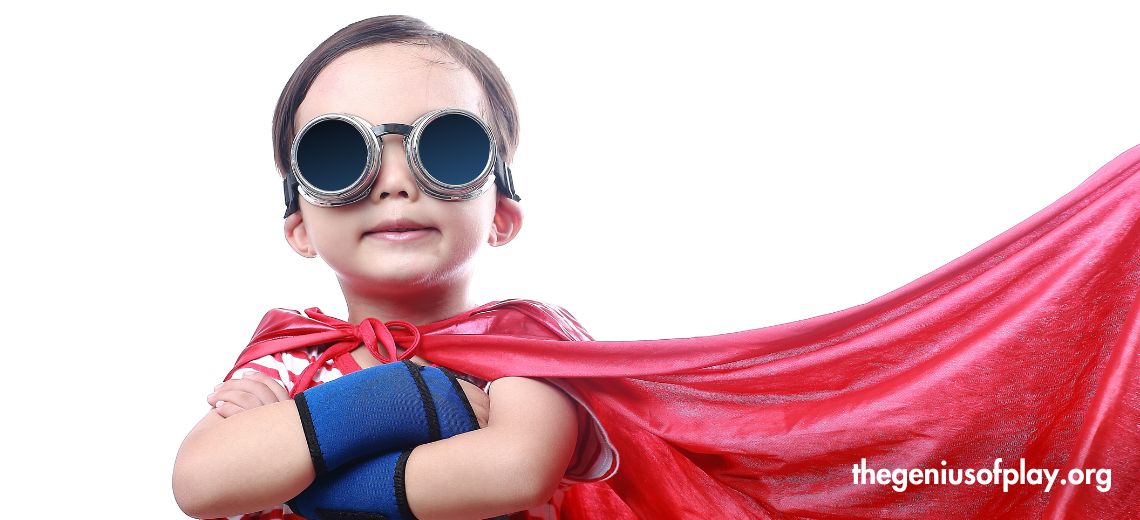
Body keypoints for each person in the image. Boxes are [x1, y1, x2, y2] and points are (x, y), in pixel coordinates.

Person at [172, 15, 619, 520]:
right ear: (299, 225)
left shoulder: (522, 341)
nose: (395, 185)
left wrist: (297, 458)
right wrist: (403, 395)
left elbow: (514, 470)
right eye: (340, 155)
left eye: (446, 150)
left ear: (501, 212)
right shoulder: (292, 354)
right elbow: (200, 483)